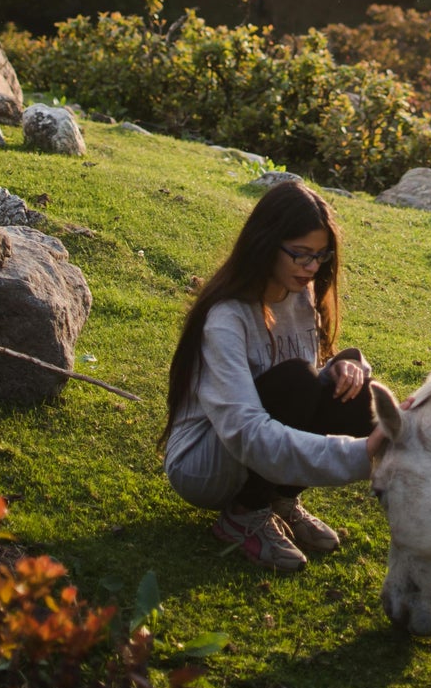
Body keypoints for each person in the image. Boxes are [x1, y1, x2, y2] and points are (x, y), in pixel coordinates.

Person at [160, 180, 379, 572]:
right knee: (296, 379)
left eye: (321, 256)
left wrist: (346, 366)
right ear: (266, 243)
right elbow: (249, 428)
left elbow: (309, 382)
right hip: (207, 463)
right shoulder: (227, 317)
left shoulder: (301, 294)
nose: (312, 268)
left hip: (255, 445)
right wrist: (360, 454)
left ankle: (279, 501)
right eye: (300, 255)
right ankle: (243, 515)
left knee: (364, 397)